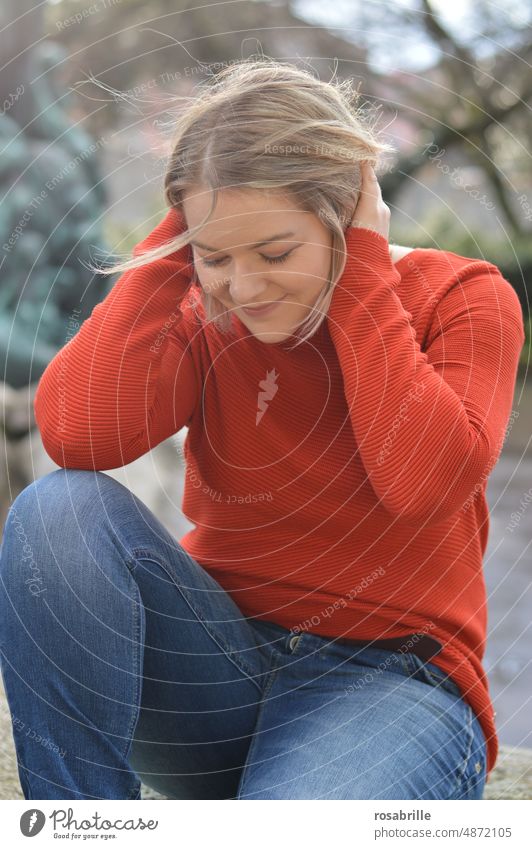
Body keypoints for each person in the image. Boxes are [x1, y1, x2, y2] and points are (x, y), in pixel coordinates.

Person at [0, 59, 525, 800]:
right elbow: (79, 436)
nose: (244, 286)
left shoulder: (462, 296)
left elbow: (422, 482)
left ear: (348, 208)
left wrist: (362, 277)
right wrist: (179, 248)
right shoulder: (209, 310)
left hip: (392, 680)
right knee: (56, 512)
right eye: (216, 256)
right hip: (214, 667)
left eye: (275, 253)